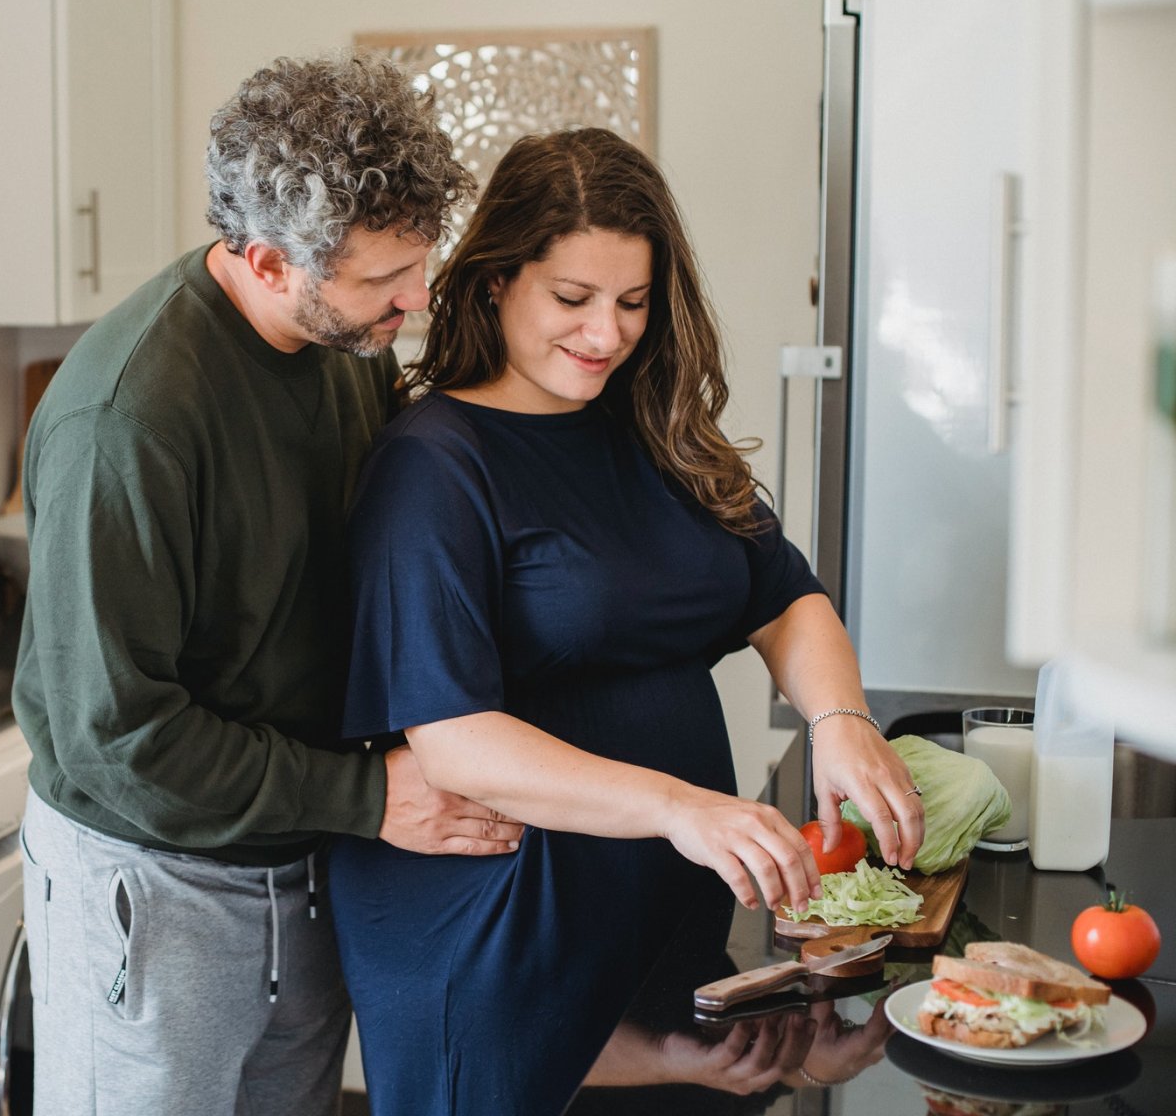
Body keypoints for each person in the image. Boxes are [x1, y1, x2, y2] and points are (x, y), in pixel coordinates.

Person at [328, 127, 925, 1115]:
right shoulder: (433, 465)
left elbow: (780, 591)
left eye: (633, 302)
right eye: (572, 299)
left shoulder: (652, 432)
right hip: (507, 940)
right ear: (493, 284)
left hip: (670, 920)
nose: (606, 334)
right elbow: (456, 739)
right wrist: (683, 808)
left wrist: (841, 718)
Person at [12, 52, 522, 1116]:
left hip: (303, 863)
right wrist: (368, 795)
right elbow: (123, 740)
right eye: (384, 280)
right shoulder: (128, 418)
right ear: (266, 256)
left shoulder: (351, 349)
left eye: (415, 266)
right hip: (156, 882)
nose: (413, 302)